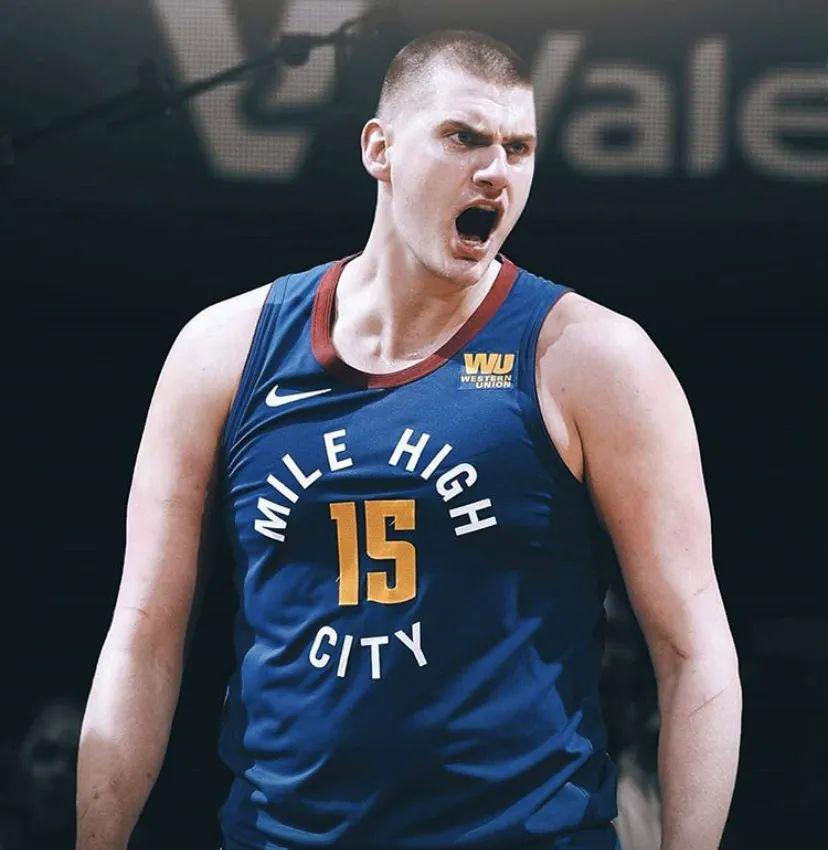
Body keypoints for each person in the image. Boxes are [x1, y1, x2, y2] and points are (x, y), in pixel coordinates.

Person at [75, 29, 742, 850]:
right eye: (464, 137)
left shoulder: (594, 359)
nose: (496, 170)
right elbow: (143, 637)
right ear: (379, 149)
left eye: (519, 148)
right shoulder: (224, 351)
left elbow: (693, 650)